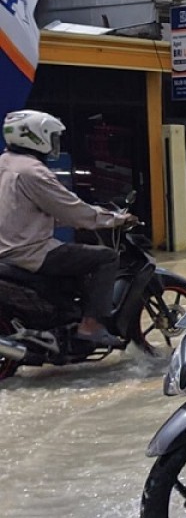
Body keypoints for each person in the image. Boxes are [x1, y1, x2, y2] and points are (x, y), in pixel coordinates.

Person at [0, 109, 137, 347]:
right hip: (29, 252)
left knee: (75, 256)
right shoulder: (34, 172)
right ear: (34, 136)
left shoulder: (5, 163)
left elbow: (28, 211)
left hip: (8, 247)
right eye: (52, 137)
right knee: (106, 258)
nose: (55, 144)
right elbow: (73, 211)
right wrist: (115, 219)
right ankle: (90, 326)